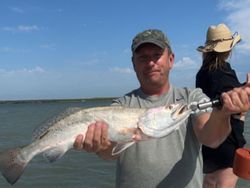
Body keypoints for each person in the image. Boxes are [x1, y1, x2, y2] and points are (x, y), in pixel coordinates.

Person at [74, 29, 250, 188]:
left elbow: (211, 138)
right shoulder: (120, 106)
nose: (151, 63)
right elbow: (110, 153)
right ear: (133, 63)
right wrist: (99, 146)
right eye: (143, 57)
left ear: (171, 59)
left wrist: (223, 113)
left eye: (157, 55)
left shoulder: (191, 97)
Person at [196, 23, 247, 188]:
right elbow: (236, 103)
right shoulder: (224, 72)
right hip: (227, 135)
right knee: (226, 181)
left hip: (208, 133)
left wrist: (242, 87)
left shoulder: (202, 73)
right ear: (228, 49)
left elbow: (224, 93)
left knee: (210, 181)